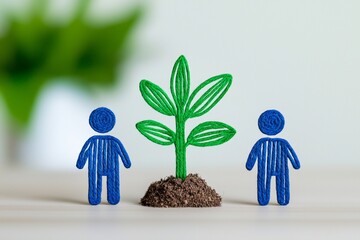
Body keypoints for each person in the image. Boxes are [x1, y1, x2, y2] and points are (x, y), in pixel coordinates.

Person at [76, 107, 131, 205]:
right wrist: (126, 163)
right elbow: (122, 153)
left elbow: (85, 151)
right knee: (113, 183)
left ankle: (95, 198)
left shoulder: (93, 141)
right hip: (110, 166)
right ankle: (111, 198)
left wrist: (81, 163)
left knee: (95, 184)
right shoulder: (113, 141)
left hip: (95, 166)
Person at [246, 109, 300, 206]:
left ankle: (266, 199)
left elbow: (253, 154)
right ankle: (275, 199)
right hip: (276, 167)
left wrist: (250, 165)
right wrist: (295, 164)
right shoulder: (279, 143)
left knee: (266, 183)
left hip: (267, 167)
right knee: (279, 184)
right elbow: (291, 154)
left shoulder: (263, 143)